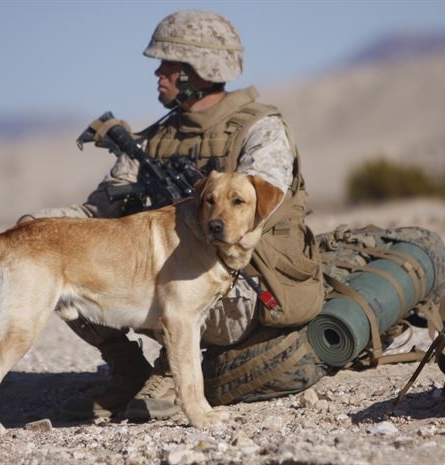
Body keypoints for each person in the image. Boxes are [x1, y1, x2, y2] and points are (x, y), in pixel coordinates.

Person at [18, 9, 326, 421]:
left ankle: (170, 372)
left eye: (169, 66)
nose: (158, 74)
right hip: (170, 274)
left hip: (251, 278)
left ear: (201, 70)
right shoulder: (153, 142)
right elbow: (95, 212)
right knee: (59, 263)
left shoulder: (259, 128)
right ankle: (128, 370)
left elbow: (262, 205)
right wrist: (38, 227)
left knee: (184, 296)